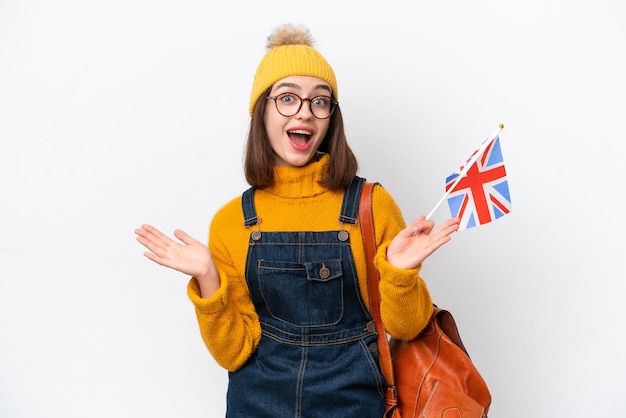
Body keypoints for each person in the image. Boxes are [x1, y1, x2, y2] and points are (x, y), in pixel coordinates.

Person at [135, 23, 460, 417]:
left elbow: (407, 329)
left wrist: (400, 274)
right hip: (257, 406)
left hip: (354, 405)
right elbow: (233, 351)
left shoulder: (371, 206)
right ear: (262, 112)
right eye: (287, 98)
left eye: (319, 101)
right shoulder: (233, 221)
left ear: (330, 118)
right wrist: (208, 278)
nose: (305, 111)